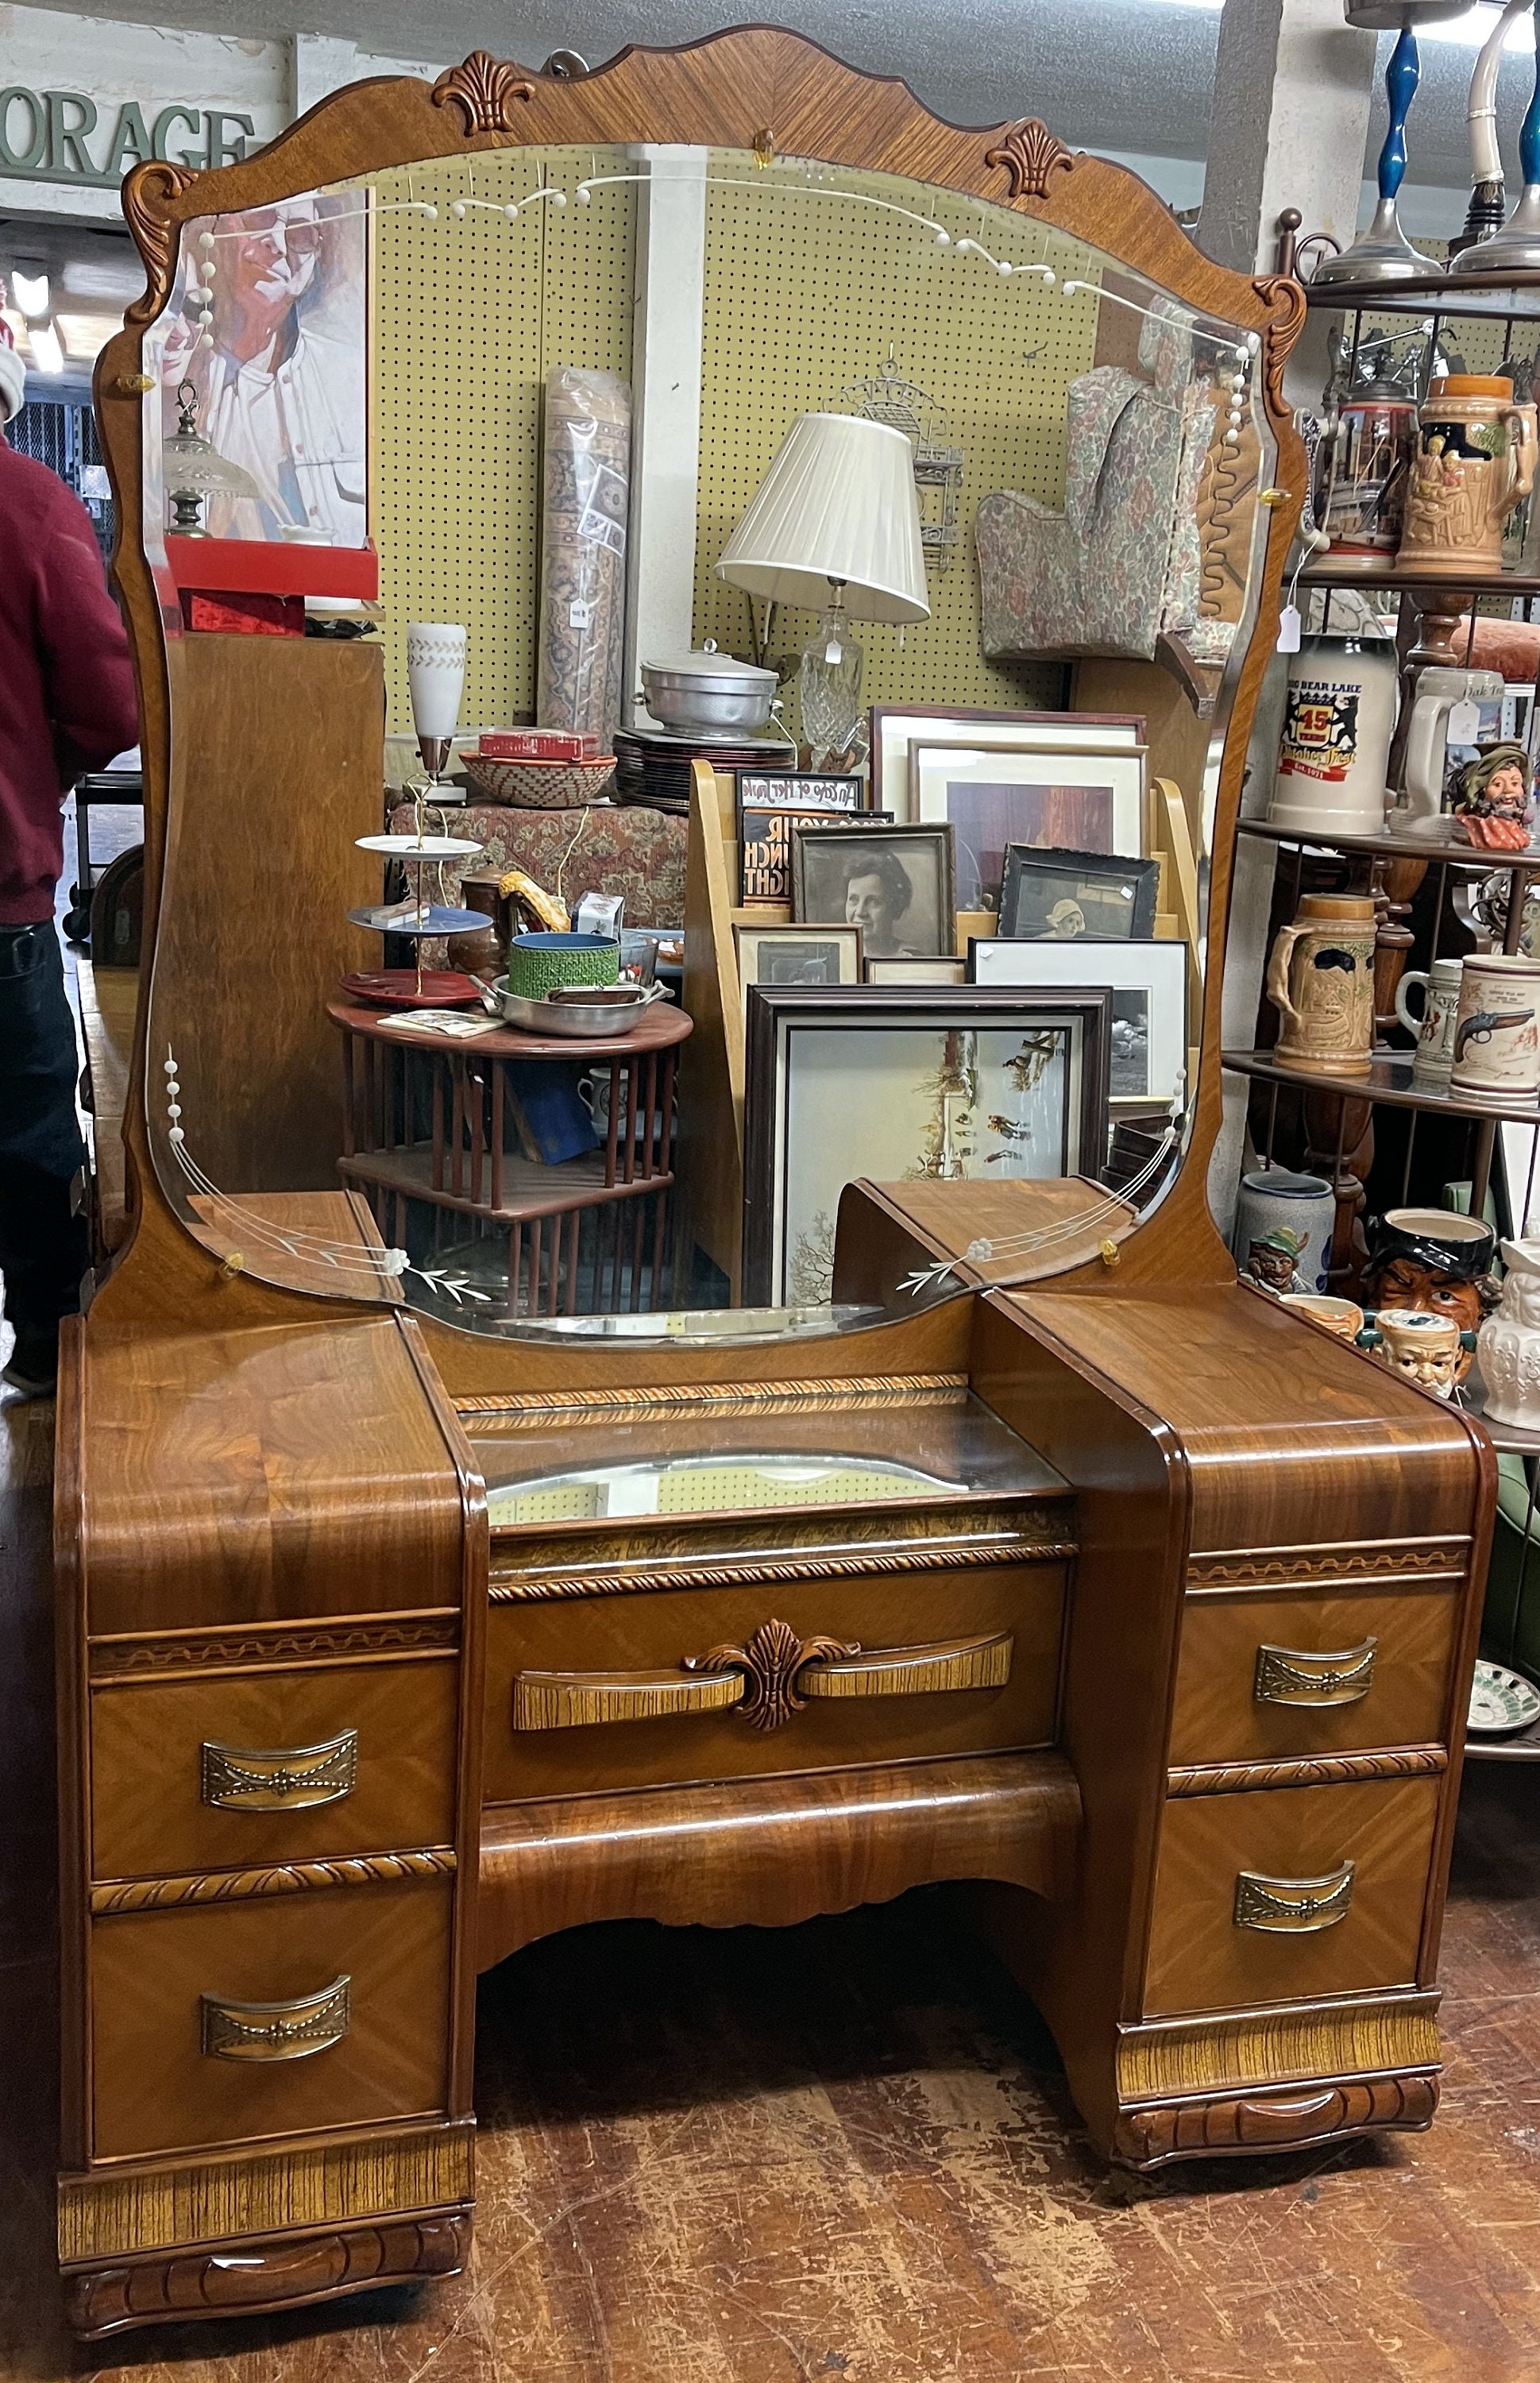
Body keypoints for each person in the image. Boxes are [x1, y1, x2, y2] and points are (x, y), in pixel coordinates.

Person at [0, 322, 140, 1397]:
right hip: (0, 898)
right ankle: (46, 1359)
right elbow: (110, 701)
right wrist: (40, 770)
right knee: (32, 1131)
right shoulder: (26, 501)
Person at [842, 848, 926, 959]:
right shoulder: (837, 956)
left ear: (896, 908)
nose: (860, 912)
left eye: (873, 901)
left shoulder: (912, 959)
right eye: (853, 900)